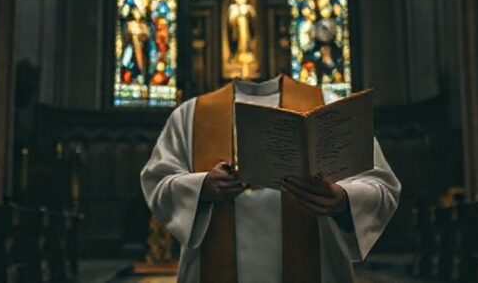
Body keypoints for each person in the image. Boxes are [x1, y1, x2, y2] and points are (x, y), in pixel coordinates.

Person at [140, 75, 400, 283]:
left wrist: (344, 200)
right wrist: (201, 187)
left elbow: (382, 186)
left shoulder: (328, 104)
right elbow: (158, 182)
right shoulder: (191, 114)